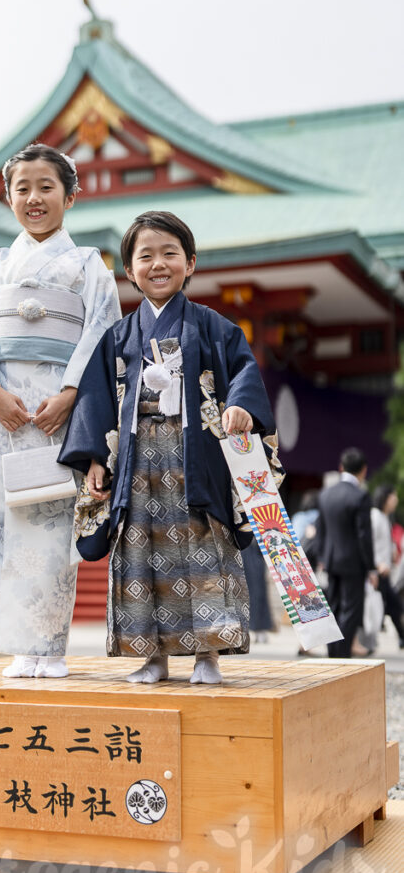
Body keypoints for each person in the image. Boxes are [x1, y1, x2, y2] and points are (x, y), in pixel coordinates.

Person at [60, 210, 281, 684]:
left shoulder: (215, 327)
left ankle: (208, 655)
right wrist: (96, 457)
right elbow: (95, 399)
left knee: (204, 546)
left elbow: (243, 371)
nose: (158, 264)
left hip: (195, 455)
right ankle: (152, 656)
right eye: (145, 256)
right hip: (138, 461)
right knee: (140, 551)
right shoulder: (118, 336)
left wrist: (240, 407)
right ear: (129, 269)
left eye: (169, 254)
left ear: (191, 263)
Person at [0, 143, 121, 679]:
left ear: (69, 196)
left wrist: (70, 395)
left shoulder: (90, 266)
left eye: (46, 187)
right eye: (23, 189)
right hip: (3, 412)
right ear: (8, 196)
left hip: (55, 414)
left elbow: (102, 336)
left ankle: (50, 645)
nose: (34, 198)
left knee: (48, 525)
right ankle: (18, 646)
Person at [315, 448, 376, 658]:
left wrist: (322, 557)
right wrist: (371, 567)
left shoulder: (325, 494)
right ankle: (342, 654)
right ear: (364, 470)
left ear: (341, 467)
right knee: (351, 610)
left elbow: (320, 530)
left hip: (331, 561)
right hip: (353, 563)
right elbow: (363, 536)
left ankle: (333, 652)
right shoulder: (360, 496)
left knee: (333, 607)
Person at [369, 484, 404, 649]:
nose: (396, 500)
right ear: (385, 498)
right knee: (393, 605)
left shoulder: (385, 517)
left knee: (393, 606)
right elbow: (368, 544)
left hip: (384, 572)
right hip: (377, 572)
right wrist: (377, 564)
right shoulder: (375, 517)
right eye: (393, 496)